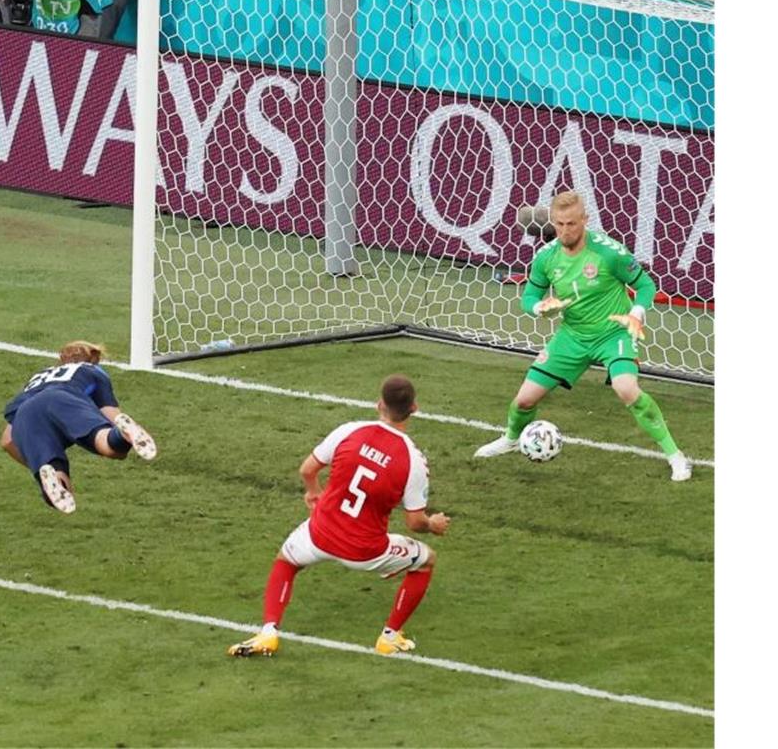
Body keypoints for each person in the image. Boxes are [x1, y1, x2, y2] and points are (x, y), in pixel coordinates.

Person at [474, 190, 692, 481]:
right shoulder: (546, 258)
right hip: (572, 336)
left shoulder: (609, 253)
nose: (565, 230)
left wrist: (636, 313)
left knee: (626, 388)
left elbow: (646, 286)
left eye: (572, 224)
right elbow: (529, 297)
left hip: (612, 332)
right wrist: (541, 308)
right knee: (524, 401)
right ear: (552, 221)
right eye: (560, 224)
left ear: (585, 220)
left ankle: (676, 456)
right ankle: (512, 438)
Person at [227, 374, 450, 658]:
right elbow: (415, 522)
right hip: (366, 550)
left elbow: (307, 469)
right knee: (426, 559)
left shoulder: (350, 430)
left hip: (319, 533)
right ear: (414, 408)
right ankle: (390, 637)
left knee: (286, 561)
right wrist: (433, 524)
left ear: (379, 404)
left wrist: (313, 493)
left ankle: (268, 631)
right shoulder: (413, 461)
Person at [0, 340, 156, 514]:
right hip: (63, 399)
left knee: (56, 481)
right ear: (93, 358)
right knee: (110, 446)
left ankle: (51, 473)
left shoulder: (39, 376)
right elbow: (111, 413)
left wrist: (35, 460)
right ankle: (122, 433)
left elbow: (7, 440)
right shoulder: (92, 371)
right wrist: (119, 426)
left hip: (26, 412)